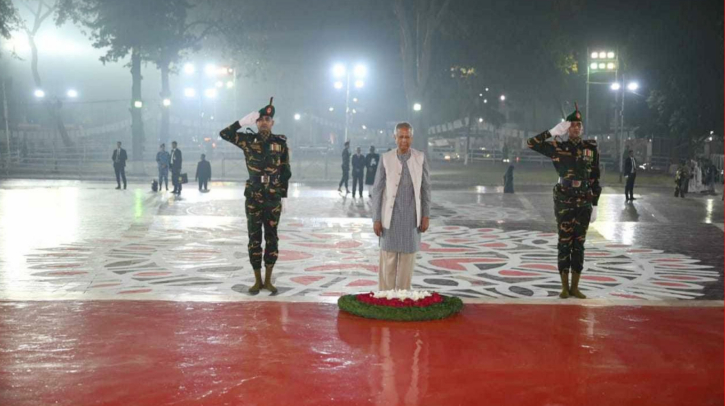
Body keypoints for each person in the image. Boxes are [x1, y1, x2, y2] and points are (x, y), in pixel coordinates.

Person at [527, 105, 601, 299]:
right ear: (567, 128)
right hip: (564, 200)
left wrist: (595, 204)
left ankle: (575, 286)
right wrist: (552, 132)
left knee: (579, 244)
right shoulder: (558, 146)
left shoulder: (590, 148)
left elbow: (595, 178)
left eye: (579, 125)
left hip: (584, 200)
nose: (576, 128)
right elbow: (531, 143)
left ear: (582, 128)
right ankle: (564, 287)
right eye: (572, 125)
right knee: (564, 242)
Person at [219, 98, 291, 293]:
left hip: (273, 197)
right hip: (253, 196)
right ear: (256, 122)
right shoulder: (247, 140)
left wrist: (284, 196)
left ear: (272, 122)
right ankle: (257, 280)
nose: (264, 122)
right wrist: (241, 123)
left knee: (272, 237)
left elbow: (285, 172)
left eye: (268, 119)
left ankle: (268, 279)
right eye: (260, 119)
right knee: (254, 237)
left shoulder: (281, 143)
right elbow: (224, 134)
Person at [371, 122, 431, 291]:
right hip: (389, 219)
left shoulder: (420, 158)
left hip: (411, 219)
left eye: (407, 137)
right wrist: (376, 219)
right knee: (388, 263)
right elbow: (377, 190)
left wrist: (426, 215)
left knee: (406, 266)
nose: (404, 140)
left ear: (412, 137)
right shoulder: (386, 158)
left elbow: (426, 189)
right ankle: (385, 299)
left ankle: (403, 299)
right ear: (394, 137)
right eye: (401, 137)